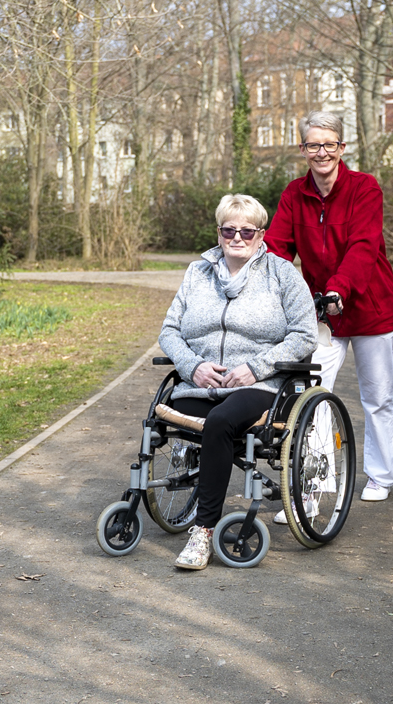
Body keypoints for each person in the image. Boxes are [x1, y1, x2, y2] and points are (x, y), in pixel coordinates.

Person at [159, 193, 317, 570]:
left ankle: (203, 531)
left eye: (247, 230)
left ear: (261, 234)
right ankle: (211, 483)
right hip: (201, 384)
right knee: (170, 416)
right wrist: (192, 365)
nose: (238, 237)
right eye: (229, 229)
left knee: (220, 423)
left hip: (260, 388)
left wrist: (256, 367)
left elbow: (304, 335)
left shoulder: (282, 274)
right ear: (219, 233)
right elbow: (169, 331)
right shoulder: (198, 273)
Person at [265, 110, 393, 510]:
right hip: (322, 314)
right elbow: (277, 246)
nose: (321, 152)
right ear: (303, 150)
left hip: (370, 309)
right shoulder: (294, 194)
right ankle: (317, 483)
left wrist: (339, 289)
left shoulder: (365, 188)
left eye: (329, 144)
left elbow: (363, 246)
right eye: (313, 145)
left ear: (342, 148)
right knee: (311, 394)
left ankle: (380, 476)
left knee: (377, 397)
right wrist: (268, 286)